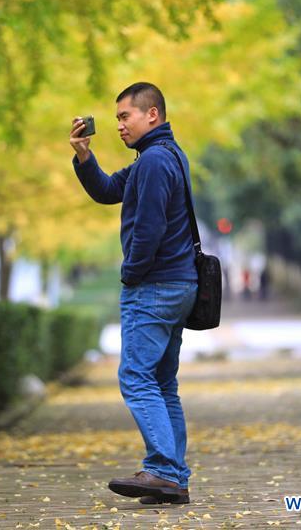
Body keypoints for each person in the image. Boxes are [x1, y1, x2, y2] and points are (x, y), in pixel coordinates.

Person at [70, 82, 197, 505]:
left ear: (152, 114)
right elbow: (108, 190)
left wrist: (131, 273)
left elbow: (150, 228)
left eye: (125, 116)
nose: (119, 125)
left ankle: (161, 469)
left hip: (155, 286)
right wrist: (84, 156)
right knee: (162, 383)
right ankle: (174, 480)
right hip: (176, 284)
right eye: (117, 118)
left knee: (136, 377)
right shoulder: (160, 156)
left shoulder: (156, 161)